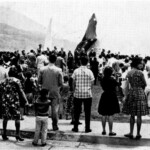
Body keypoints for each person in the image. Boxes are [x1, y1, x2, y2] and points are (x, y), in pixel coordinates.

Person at [122, 57, 149, 140]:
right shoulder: (140, 73)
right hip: (140, 92)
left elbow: (126, 85)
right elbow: (144, 83)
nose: (142, 64)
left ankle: (131, 132)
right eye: (140, 63)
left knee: (132, 115)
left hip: (132, 92)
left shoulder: (129, 73)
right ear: (137, 63)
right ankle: (138, 133)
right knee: (139, 115)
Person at [0, 67, 28, 141]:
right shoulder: (16, 81)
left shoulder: (2, 81)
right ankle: (17, 134)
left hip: (5, 101)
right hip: (14, 101)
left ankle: (4, 133)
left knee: (5, 118)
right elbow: (21, 91)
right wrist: (25, 100)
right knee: (17, 118)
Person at [38, 54, 63, 131]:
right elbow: (61, 82)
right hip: (54, 91)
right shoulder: (58, 70)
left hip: (44, 91)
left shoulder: (42, 69)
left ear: (48, 59)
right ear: (55, 60)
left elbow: (39, 81)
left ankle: (42, 125)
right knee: (54, 110)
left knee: (43, 109)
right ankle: (54, 125)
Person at [72, 55, 94, 133]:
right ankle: (87, 128)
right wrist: (89, 89)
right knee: (87, 112)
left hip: (78, 93)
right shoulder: (90, 71)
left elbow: (73, 82)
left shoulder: (76, 71)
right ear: (87, 62)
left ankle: (75, 127)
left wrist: (74, 90)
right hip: (87, 94)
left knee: (76, 111)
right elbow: (92, 83)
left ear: (80, 62)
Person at [98, 66, 120, 136]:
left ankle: (103, 130)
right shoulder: (112, 80)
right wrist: (116, 78)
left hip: (104, 95)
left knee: (103, 114)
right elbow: (117, 88)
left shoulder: (102, 80)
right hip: (112, 96)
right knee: (110, 114)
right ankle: (110, 131)